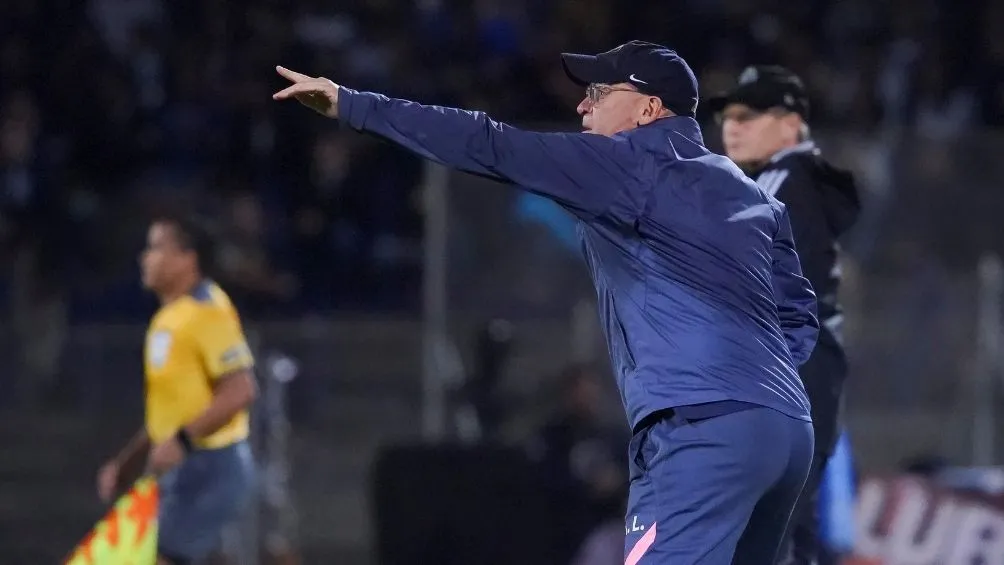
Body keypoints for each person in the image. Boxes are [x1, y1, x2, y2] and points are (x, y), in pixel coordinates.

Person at [273, 40, 818, 564]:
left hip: (704, 427)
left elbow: (489, 143)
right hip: (786, 429)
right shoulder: (754, 197)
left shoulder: (626, 164)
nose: (583, 103)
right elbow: (798, 317)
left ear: (649, 108)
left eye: (601, 91)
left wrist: (354, 105)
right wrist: (749, 386)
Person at [709, 65, 861, 565]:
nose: (732, 125)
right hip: (801, 376)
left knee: (769, 533)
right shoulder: (789, 181)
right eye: (728, 115)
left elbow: (773, 291)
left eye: (749, 114)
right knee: (785, 530)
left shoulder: (786, 180)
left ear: (791, 124)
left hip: (788, 376)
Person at [96, 214, 258, 565]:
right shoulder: (168, 319)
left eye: (155, 248)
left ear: (188, 258)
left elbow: (241, 389)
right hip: (181, 471)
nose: (145, 257)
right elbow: (170, 414)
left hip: (210, 467)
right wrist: (127, 462)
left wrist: (183, 441)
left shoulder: (207, 310)